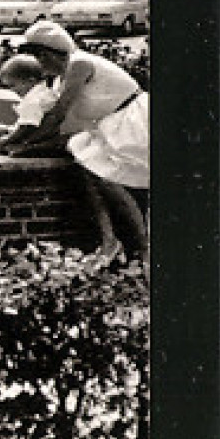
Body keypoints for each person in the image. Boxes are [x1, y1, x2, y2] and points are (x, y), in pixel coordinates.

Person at [17, 20, 150, 261]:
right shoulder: (62, 76)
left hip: (133, 123)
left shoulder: (80, 64)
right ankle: (110, 239)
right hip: (109, 128)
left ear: (52, 54)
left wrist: (28, 145)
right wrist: (23, 139)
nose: (40, 63)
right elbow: (45, 116)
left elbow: (59, 113)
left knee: (106, 177)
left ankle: (143, 245)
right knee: (87, 167)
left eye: (41, 56)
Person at [0, 54, 65, 156]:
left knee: (1, 141)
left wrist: (8, 139)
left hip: (35, 136)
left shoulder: (33, 101)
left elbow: (27, 127)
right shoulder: (44, 92)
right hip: (41, 132)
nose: (12, 90)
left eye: (13, 85)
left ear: (30, 81)